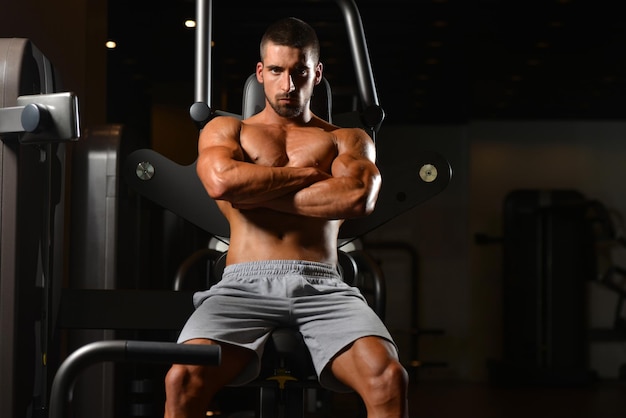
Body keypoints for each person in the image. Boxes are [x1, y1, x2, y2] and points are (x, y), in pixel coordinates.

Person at [164, 17, 409, 418]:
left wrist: (257, 193)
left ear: (317, 73)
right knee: (181, 380)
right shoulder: (227, 129)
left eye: (299, 72)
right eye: (277, 71)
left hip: (324, 287)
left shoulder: (346, 139)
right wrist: (308, 177)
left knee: (388, 379)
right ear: (261, 72)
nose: (288, 85)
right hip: (242, 287)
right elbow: (223, 181)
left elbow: (357, 197)